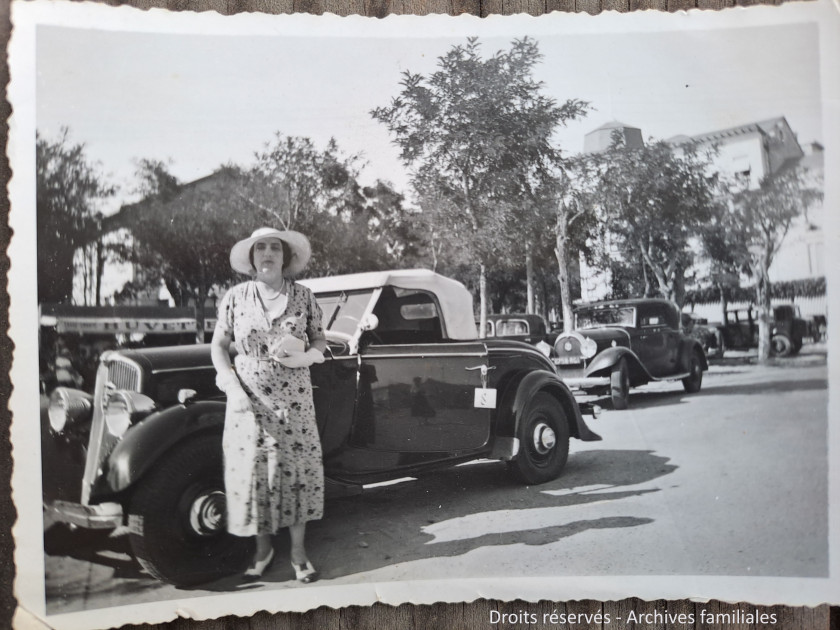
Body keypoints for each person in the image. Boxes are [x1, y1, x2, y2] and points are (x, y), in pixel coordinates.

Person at [211, 227, 327, 583]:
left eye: (274, 247)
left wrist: (309, 356)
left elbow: (320, 339)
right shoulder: (235, 296)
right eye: (260, 247)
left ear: (285, 257)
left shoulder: (304, 296)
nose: (267, 253)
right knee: (255, 471)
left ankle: (297, 552)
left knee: (297, 470)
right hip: (248, 398)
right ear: (251, 258)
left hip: (294, 399)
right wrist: (230, 384)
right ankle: (263, 550)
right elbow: (218, 345)